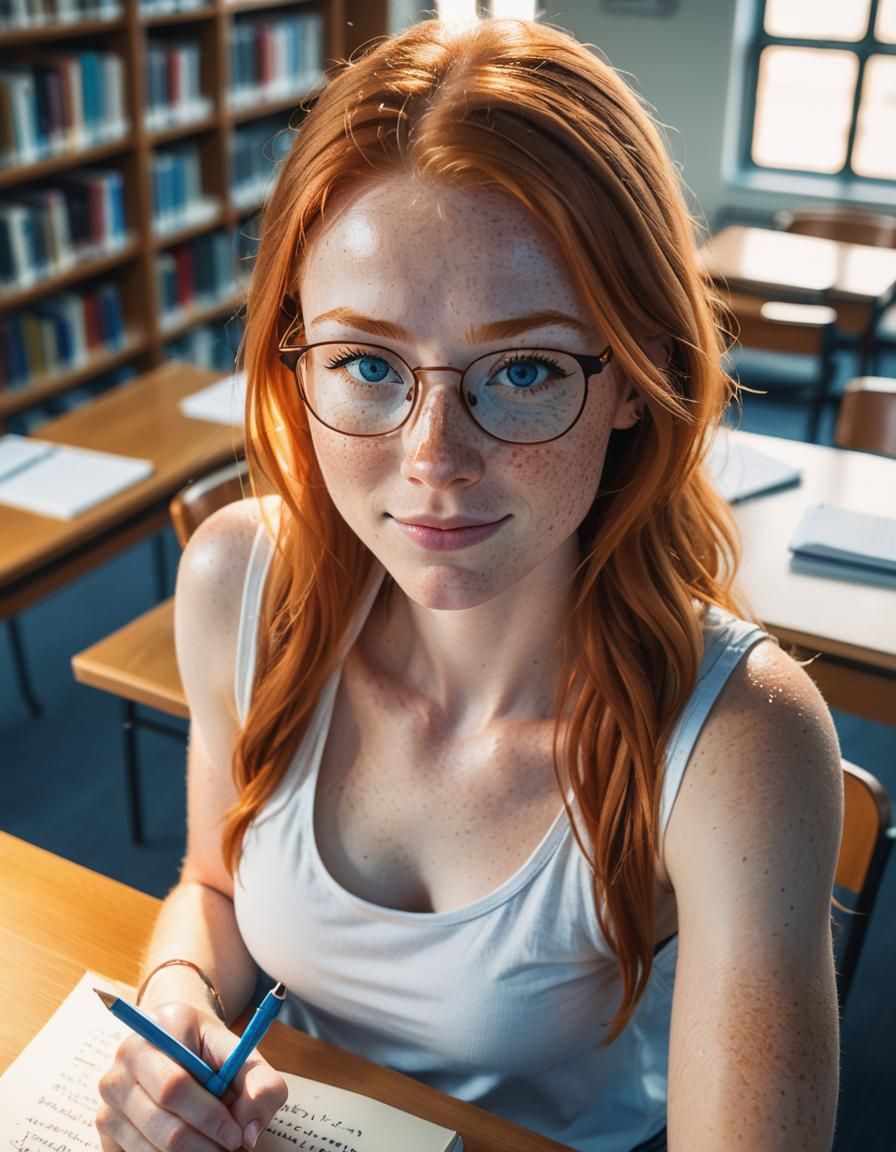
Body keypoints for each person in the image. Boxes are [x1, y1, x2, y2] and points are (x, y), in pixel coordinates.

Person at [96, 16, 843, 1152]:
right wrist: (177, 995)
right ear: (295, 360)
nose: (432, 460)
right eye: (365, 364)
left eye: (527, 369)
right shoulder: (234, 582)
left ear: (636, 376)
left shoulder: (739, 741)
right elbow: (212, 886)